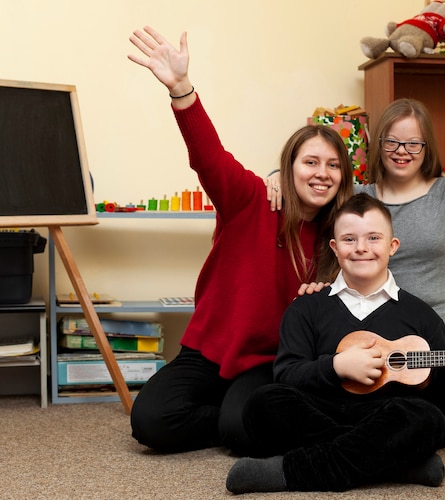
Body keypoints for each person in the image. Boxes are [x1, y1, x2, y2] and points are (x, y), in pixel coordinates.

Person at [126, 26, 354, 454]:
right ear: (289, 166)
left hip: (270, 361)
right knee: (151, 422)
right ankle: (235, 411)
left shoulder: (341, 237)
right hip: (208, 349)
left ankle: (241, 414)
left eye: (333, 166)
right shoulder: (251, 198)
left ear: (343, 177)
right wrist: (182, 90)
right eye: (310, 162)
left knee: (241, 434)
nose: (321, 173)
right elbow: (209, 157)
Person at [267, 73, 445, 444]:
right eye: (393, 141)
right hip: (366, 338)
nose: (403, 150)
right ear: (378, 144)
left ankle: (348, 451)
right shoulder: (358, 195)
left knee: (428, 426)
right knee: (372, 422)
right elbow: (317, 183)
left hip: (439, 343)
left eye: (414, 142)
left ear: (428, 147)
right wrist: (276, 176)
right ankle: (381, 456)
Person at [226, 193, 445, 494]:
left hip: (385, 415)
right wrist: (335, 366)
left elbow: (438, 402)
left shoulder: (422, 316)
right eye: (350, 240)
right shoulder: (306, 308)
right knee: (263, 404)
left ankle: (289, 472)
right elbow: (287, 374)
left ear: (393, 247)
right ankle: (395, 464)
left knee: (428, 419)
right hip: (320, 411)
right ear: (335, 248)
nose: (362, 248)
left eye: (374, 238)